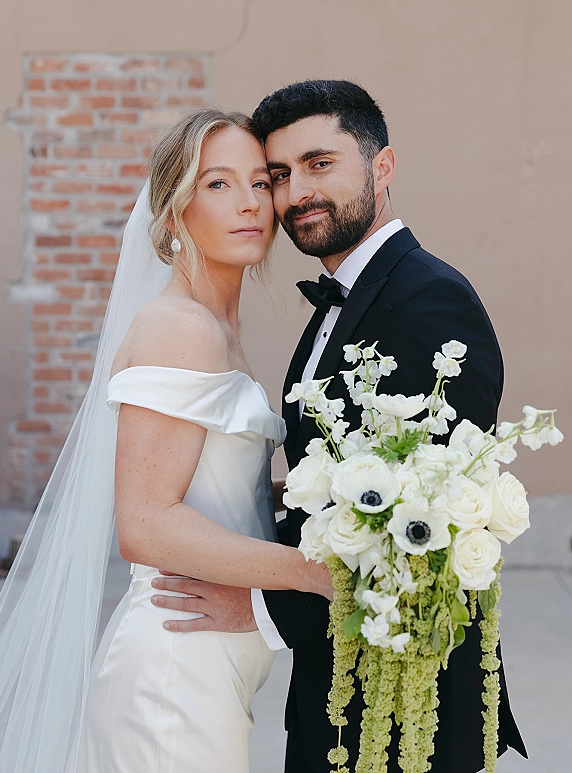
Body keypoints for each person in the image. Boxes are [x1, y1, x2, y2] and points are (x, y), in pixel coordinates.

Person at [151, 81, 528, 773]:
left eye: (320, 164)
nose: (297, 193)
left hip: (408, 700)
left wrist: (263, 610)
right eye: (280, 175)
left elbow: (424, 527)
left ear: (382, 168)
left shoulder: (428, 302)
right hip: (340, 688)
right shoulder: (345, 299)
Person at [0, 108, 333, 773]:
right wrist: (314, 575)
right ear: (173, 214)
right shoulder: (180, 329)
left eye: (260, 182)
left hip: (209, 671)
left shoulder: (216, 328)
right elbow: (145, 524)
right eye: (216, 184)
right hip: (172, 676)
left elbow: (206, 484)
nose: (248, 202)